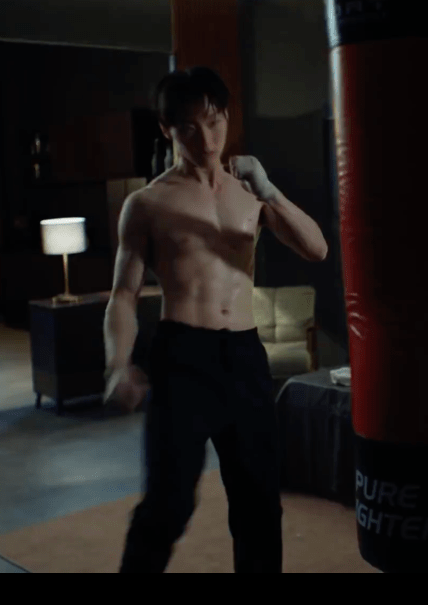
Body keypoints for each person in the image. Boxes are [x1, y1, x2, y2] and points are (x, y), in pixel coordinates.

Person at [103, 66, 328, 573]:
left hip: (245, 357)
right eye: (188, 128)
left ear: (227, 116)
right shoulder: (147, 203)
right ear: (167, 129)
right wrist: (117, 363)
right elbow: (123, 294)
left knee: (259, 505)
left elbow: (316, 248)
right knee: (169, 505)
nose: (206, 140)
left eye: (214, 122)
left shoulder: (250, 192)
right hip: (183, 357)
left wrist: (269, 190)